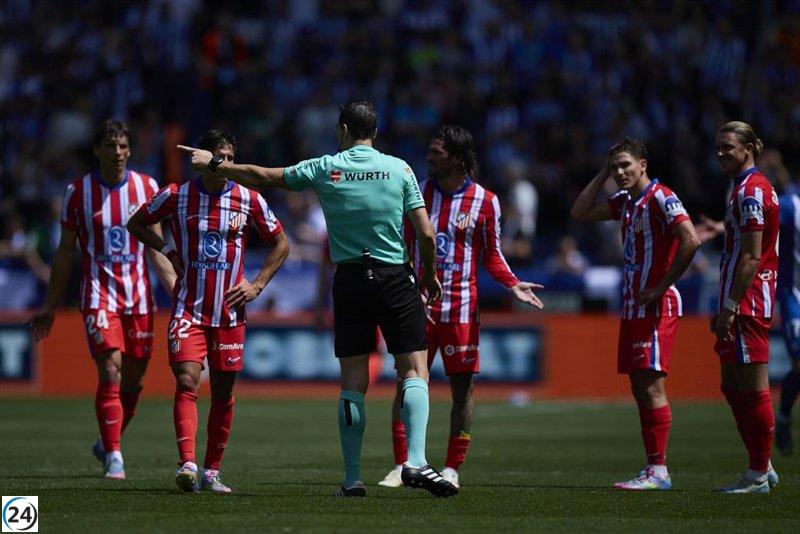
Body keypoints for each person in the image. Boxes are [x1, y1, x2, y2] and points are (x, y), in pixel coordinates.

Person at [177, 100, 458, 497]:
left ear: (343, 129)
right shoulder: (400, 169)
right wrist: (428, 275)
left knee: (352, 383)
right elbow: (426, 234)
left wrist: (215, 165)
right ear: (374, 133)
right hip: (395, 275)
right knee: (413, 370)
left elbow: (262, 176)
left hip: (350, 279)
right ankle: (414, 461)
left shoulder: (327, 166)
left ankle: (352, 478)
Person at [378, 125, 544, 490]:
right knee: (407, 384)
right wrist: (405, 288)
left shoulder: (486, 201)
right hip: (419, 307)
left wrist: (512, 283)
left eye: (437, 152)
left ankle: (452, 466)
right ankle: (402, 464)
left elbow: (493, 255)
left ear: (457, 158)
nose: (430, 156)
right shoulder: (416, 191)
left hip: (462, 311)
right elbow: (401, 245)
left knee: (462, 391)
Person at [127, 130, 289, 493]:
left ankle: (211, 471)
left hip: (229, 314)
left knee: (223, 391)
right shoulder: (178, 195)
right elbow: (136, 222)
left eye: (232, 157)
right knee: (186, 379)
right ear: (202, 158)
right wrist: (166, 249)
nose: (227, 163)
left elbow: (281, 243)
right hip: (189, 309)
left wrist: (257, 285)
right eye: (220, 156)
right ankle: (187, 463)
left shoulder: (249, 199)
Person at [29, 120, 177, 479]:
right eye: (111, 146)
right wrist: (50, 305)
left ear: (130, 150)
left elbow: (157, 248)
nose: (118, 153)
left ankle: (106, 439)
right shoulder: (77, 192)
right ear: (97, 150)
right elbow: (65, 253)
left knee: (135, 381)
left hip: (139, 298)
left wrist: (177, 290)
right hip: (98, 295)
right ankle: (114, 455)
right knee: (110, 368)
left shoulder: (147, 187)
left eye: (124, 146)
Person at [571, 137, 700, 490]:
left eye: (626, 164)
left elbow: (691, 240)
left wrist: (661, 286)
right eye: (615, 167)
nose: (620, 172)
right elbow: (580, 212)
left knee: (651, 385)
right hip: (633, 305)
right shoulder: (625, 202)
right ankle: (652, 468)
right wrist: (602, 172)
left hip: (656, 304)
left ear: (643, 164)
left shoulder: (661, 196)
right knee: (639, 385)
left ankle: (658, 471)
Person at [695, 121, 780, 492]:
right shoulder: (744, 189)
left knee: (752, 384)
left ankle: (758, 472)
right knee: (731, 384)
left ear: (748, 148)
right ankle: (762, 463)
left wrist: (730, 306)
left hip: (747, 301)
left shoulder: (750, 191)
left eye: (728, 147)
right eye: (717, 147)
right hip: (738, 298)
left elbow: (751, 256)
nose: (720, 153)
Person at [775, 179, 800, 455]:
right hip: (795, 296)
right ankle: (783, 418)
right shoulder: (790, 204)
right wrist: (723, 226)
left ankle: (783, 417)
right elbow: (757, 220)